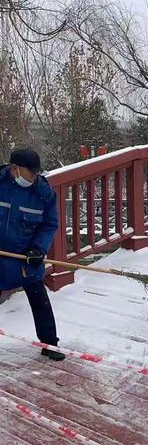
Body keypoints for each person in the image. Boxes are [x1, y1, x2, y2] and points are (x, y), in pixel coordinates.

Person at [0, 148, 65, 361]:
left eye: (37, 172)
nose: (34, 177)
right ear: (15, 168)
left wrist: (38, 249)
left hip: (27, 258)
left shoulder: (43, 193)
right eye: (31, 172)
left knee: (40, 301)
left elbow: (49, 225)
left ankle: (50, 343)